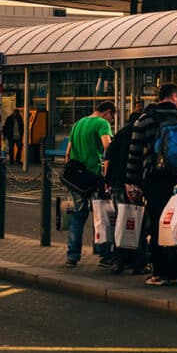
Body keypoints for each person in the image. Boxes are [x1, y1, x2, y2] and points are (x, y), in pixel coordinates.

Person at [125, 83, 177, 287]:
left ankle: (161, 273)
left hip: (154, 180)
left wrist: (131, 181)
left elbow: (135, 154)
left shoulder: (144, 120)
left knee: (158, 223)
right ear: (174, 96)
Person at [64, 101, 115, 268]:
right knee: (100, 215)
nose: (112, 120)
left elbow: (68, 152)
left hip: (76, 178)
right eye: (112, 116)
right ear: (107, 112)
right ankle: (105, 254)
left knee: (78, 215)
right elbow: (108, 146)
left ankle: (72, 256)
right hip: (93, 176)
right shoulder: (102, 123)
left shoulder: (79, 123)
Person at [103, 110, 143, 273]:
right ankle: (136, 262)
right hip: (134, 183)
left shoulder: (120, 133)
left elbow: (108, 157)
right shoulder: (141, 133)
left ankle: (119, 260)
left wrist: (107, 181)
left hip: (117, 182)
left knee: (121, 221)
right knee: (137, 222)